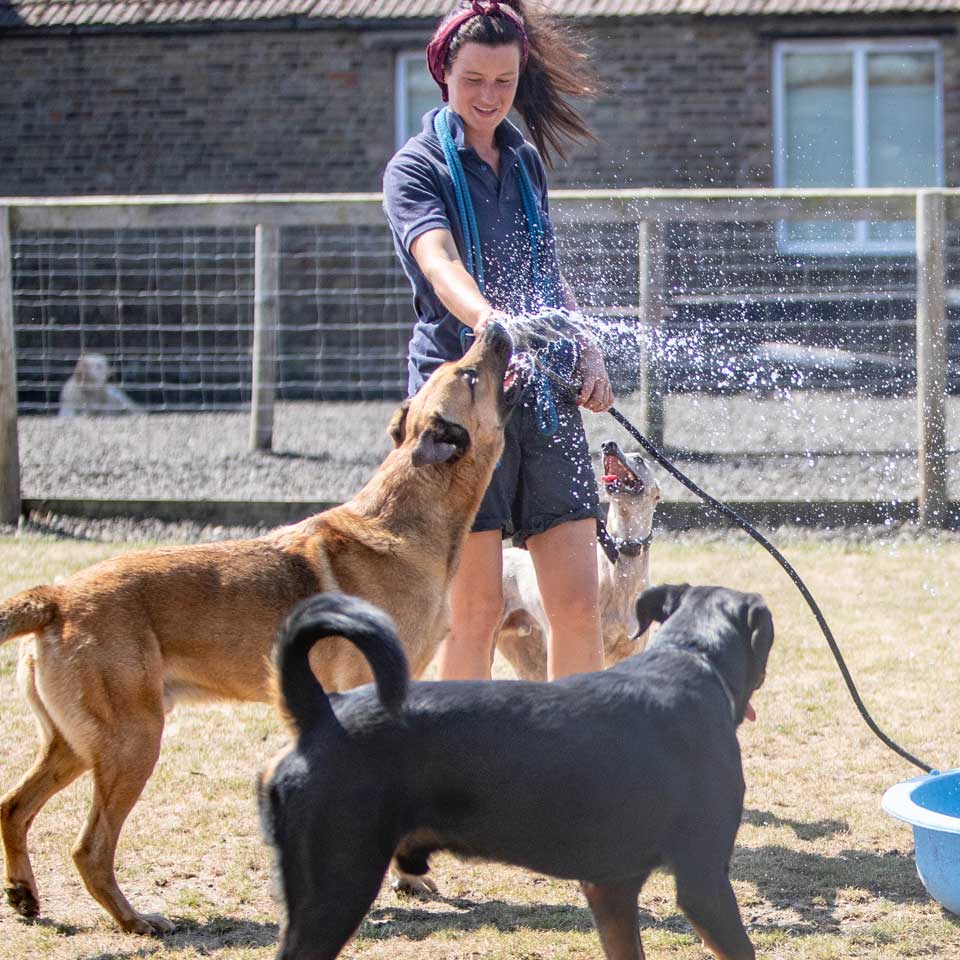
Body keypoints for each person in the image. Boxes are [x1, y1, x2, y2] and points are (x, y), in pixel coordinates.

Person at [382, 0, 613, 681]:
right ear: (443, 75)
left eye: (503, 83)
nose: (488, 97)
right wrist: (492, 323)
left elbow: (547, 274)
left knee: (578, 603)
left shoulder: (526, 161)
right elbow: (438, 259)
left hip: (543, 396)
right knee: (474, 611)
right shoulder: (414, 168)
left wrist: (587, 351)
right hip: (460, 413)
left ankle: (580, 761)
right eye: (473, 80)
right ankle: (465, 780)